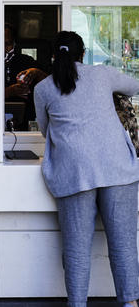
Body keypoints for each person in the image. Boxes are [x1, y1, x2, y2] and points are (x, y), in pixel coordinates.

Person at [34, 31, 139, 307]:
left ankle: (77, 304)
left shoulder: (43, 88)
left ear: (53, 55)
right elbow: (133, 86)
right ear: (83, 54)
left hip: (74, 171)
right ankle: (130, 304)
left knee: (76, 248)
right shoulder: (102, 74)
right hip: (116, 166)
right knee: (124, 243)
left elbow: (46, 130)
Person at [5, 23, 48, 129]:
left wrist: (37, 72)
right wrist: (10, 91)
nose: (4, 49)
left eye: (8, 44)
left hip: (25, 123)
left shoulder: (26, 61)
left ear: (14, 43)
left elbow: (50, 84)